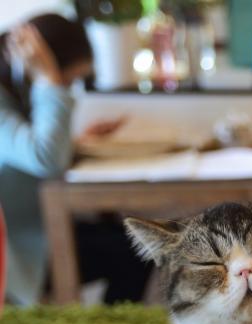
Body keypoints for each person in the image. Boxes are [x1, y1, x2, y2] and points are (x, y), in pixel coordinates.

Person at [1, 13, 145, 305]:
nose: (67, 88)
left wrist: (76, 143)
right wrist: (48, 80)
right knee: (132, 251)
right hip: (20, 252)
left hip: (38, 235)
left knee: (131, 241)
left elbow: (26, 152)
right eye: (67, 81)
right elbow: (46, 158)